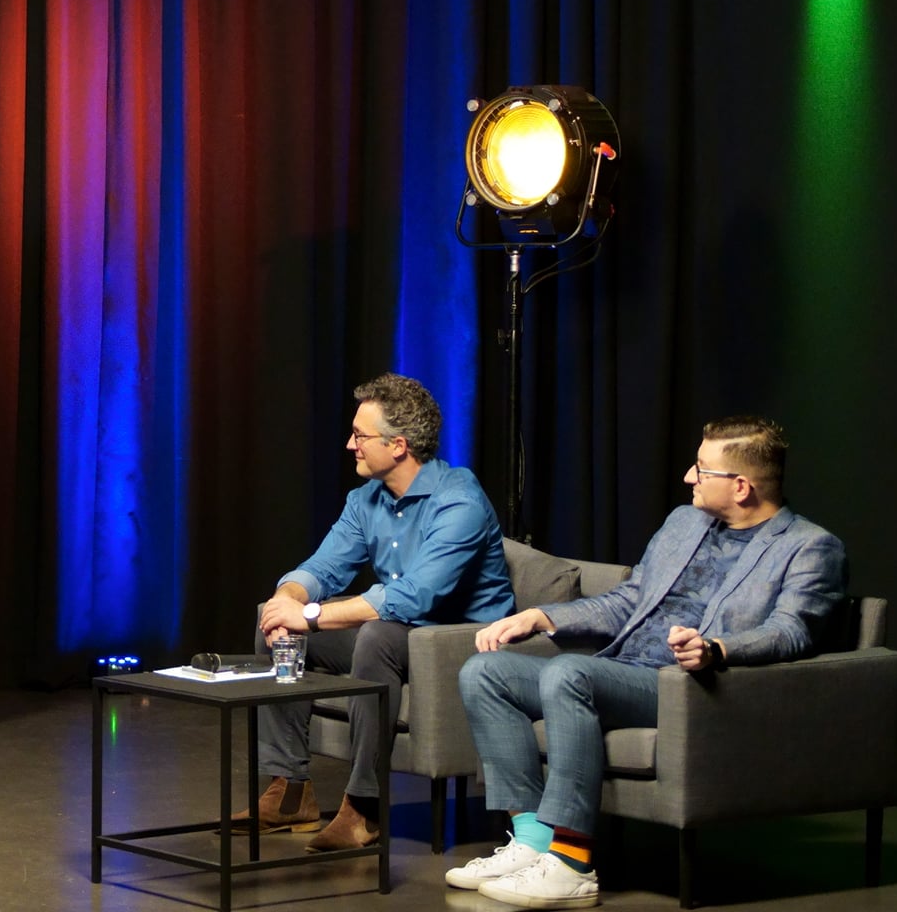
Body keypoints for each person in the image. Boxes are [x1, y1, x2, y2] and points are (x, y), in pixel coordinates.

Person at [446, 416, 844, 909]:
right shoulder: (684, 522)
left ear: (742, 486)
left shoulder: (809, 547)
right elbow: (630, 599)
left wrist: (717, 649)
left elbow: (791, 631)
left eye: (701, 469)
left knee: (570, 673)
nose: (688, 477)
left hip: (688, 687)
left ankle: (571, 865)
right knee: (485, 672)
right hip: (624, 671)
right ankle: (532, 840)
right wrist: (542, 616)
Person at [245, 373, 513, 852]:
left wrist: (310, 616)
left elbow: (416, 596)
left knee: (376, 636)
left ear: (398, 445)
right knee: (275, 620)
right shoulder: (365, 499)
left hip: (460, 642)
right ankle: (290, 792)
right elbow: (323, 567)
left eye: (360, 436)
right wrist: (288, 598)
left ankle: (363, 806)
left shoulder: (460, 500)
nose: (350, 445)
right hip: (400, 632)